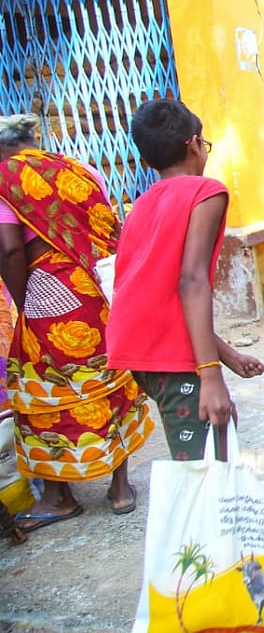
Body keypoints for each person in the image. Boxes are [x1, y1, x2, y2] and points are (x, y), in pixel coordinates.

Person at [0, 114, 154, 532]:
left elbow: (11, 250)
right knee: (109, 377)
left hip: (51, 294)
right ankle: (120, 489)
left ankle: (58, 496)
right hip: (99, 285)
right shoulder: (76, 169)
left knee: (43, 389)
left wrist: (23, 303)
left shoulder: (5, 180)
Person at [107, 101, 264, 463]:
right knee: (205, 465)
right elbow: (192, 282)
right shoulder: (205, 192)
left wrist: (228, 356)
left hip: (139, 353)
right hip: (170, 359)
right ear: (194, 144)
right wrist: (210, 375)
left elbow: (160, 298)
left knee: (219, 440)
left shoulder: (142, 205)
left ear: (148, 161)